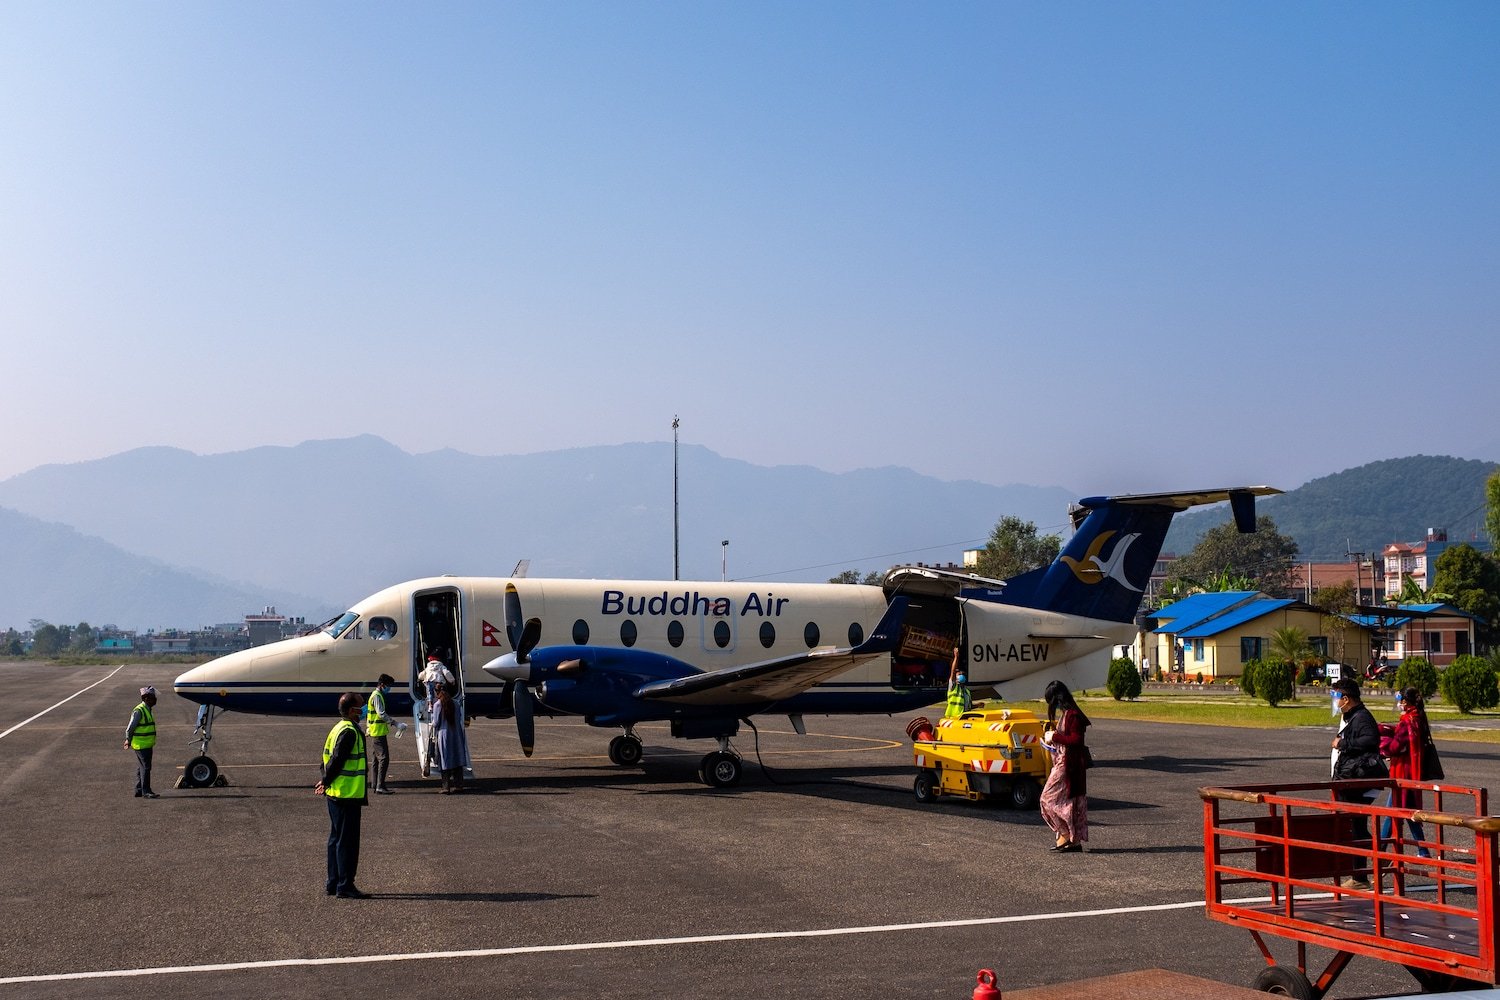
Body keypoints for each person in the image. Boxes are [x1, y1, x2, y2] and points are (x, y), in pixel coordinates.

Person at [1330, 677, 1387, 889]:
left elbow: (1371, 739)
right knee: (1356, 827)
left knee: (1357, 828)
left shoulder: (1361, 717)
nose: (1336, 702)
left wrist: (1344, 743)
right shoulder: (1351, 716)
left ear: (1346, 698)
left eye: (1337, 697)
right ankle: (1365, 869)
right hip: (1349, 780)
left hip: (1359, 782)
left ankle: (1364, 871)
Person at [316, 692, 369, 899]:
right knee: (347, 842)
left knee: (336, 839)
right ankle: (345, 885)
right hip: (347, 794)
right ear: (351, 711)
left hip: (336, 793)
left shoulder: (338, 728)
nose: (363, 710)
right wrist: (326, 780)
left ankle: (333, 882)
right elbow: (336, 760)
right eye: (361, 707)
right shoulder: (350, 732)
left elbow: (325, 757)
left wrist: (325, 781)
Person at [1378, 687, 1435, 857]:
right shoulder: (1417, 718)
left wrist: (1382, 746)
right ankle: (1423, 850)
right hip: (1411, 771)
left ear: (1405, 702)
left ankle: (1380, 850)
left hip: (1403, 772)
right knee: (1409, 813)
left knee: (1391, 812)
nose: (1399, 703)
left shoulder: (1407, 721)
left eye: (1400, 700)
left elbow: (1395, 746)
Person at [1040, 680, 1090, 853]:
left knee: (1047, 798)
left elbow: (1076, 740)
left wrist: (1054, 737)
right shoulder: (1068, 713)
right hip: (1065, 763)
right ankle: (1072, 840)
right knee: (1067, 801)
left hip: (1068, 765)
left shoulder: (1073, 715)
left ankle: (1066, 835)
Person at [365, 674, 405, 795]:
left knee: (376, 759)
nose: (389, 689)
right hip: (378, 732)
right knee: (384, 758)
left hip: (375, 731)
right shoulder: (377, 696)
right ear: (382, 685)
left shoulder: (376, 695)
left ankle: (375, 784)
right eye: (388, 686)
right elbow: (381, 714)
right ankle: (380, 786)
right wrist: (396, 723)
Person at [123, 686, 160, 798]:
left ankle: (139, 789)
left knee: (141, 767)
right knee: (146, 767)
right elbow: (130, 728)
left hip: (146, 744)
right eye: (153, 697)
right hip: (141, 744)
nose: (156, 699)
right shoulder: (139, 711)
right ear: (146, 698)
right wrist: (128, 740)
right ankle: (146, 791)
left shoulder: (147, 709)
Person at [432, 683, 465, 793]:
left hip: (444, 734)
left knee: (444, 759)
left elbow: (436, 723)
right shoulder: (456, 703)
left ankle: (446, 787)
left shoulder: (438, 704)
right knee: (457, 758)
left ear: (437, 692)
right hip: (456, 734)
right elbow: (459, 717)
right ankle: (459, 785)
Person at [943, 647, 971, 719]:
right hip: (952, 718)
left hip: (963, 719)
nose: (961, 674)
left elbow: (967, 706)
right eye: (959, 673)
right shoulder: (953, 686)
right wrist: (956, 657)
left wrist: (978, 705)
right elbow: (953, 671)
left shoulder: (967, 692)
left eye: (962, 673)